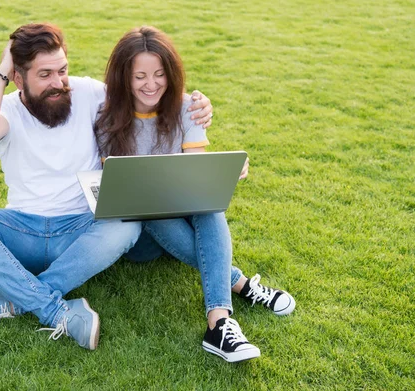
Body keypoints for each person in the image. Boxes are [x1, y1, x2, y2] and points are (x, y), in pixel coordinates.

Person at [0, 23, 214, 351]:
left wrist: (195, 103)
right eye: (45, 74)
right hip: (22, 233)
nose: (58, 82)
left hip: (82, 233)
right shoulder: (7, 111)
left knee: (126, 224)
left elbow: (146, 92)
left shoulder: (85, 92)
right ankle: (55, 310)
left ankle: (15, 298)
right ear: (18, 76)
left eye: (62, 70)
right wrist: (1, 69)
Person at [94, 26, 296, 362]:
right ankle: (241, 283)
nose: (150, 84)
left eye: (159, 74)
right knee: (146, 208)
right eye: (139, 76)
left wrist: (223, 174)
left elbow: (195, 178)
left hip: (179, 216)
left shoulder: (189, 108)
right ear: (123, 77)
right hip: (140, 234)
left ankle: (219, 325)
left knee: (209, 206)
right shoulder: (107, 118)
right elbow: (120, 194)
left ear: (171, 74)